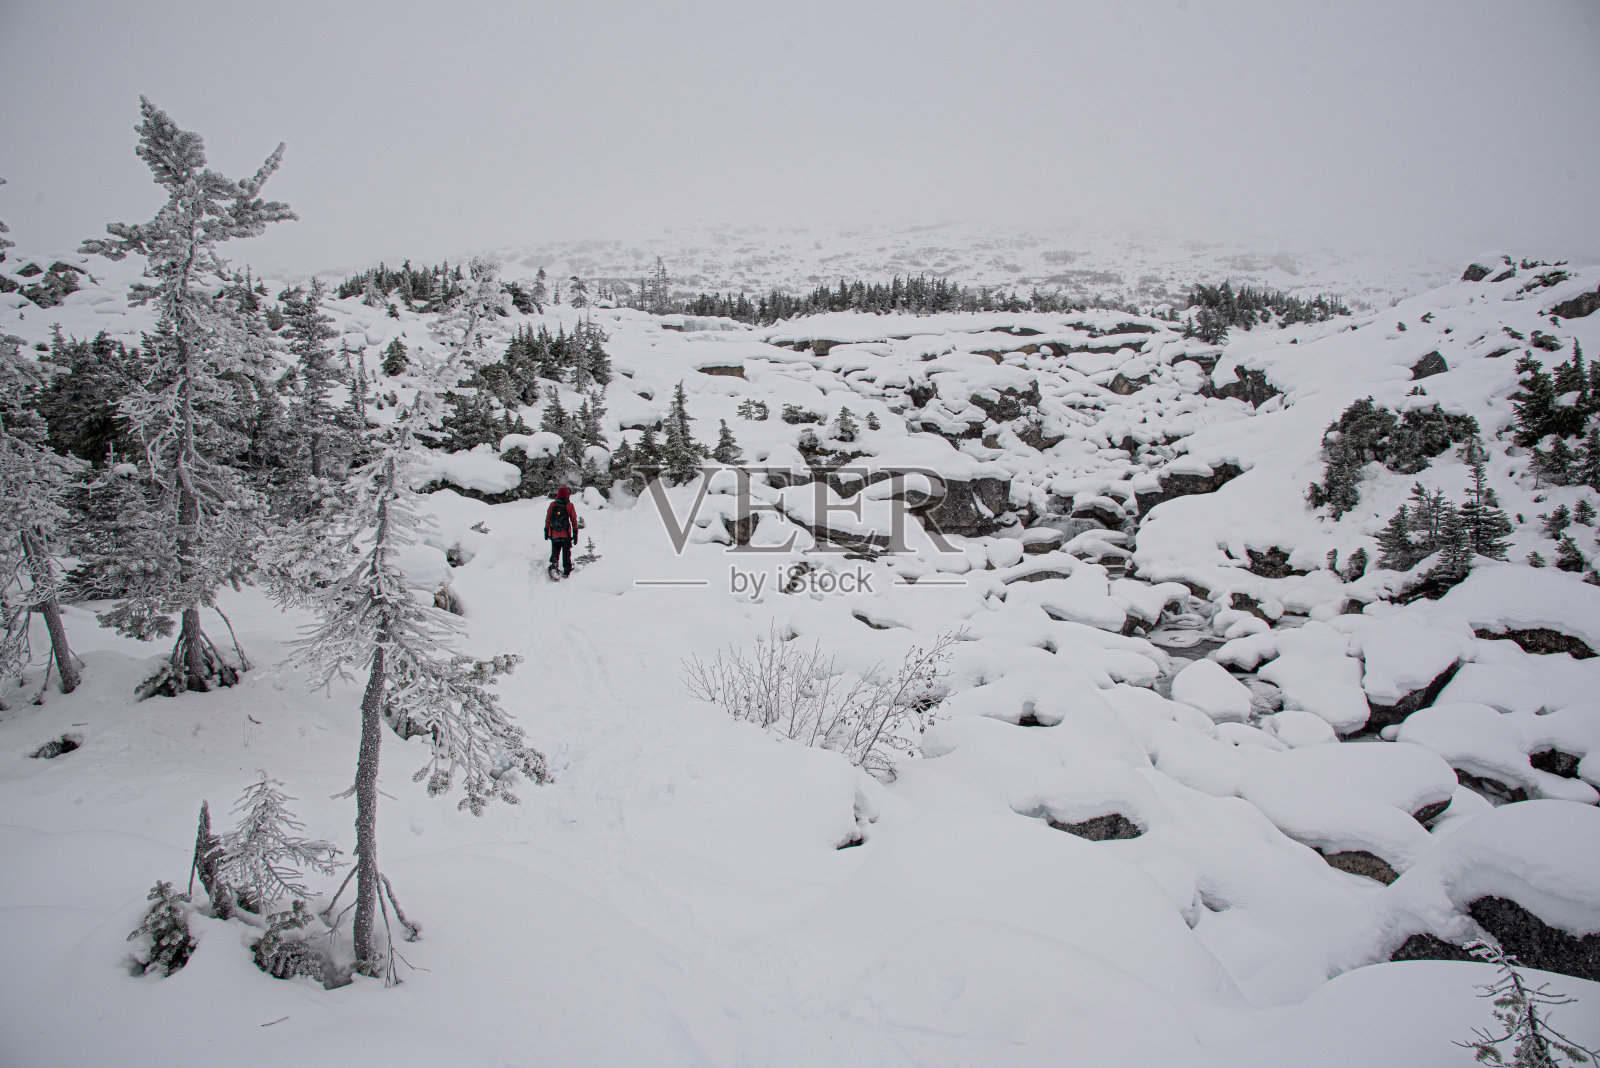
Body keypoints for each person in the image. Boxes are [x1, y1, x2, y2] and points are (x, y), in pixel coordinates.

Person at [544, 486, 578, 577]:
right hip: (566, 535)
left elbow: (548, 519)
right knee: (566, 552)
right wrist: (575, 534)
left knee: (555, 551)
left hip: (554, 534)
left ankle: (554, 566)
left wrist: (546, 531)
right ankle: (567, 570)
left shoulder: (552, 504)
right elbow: (574, 520)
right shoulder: (569, 505)